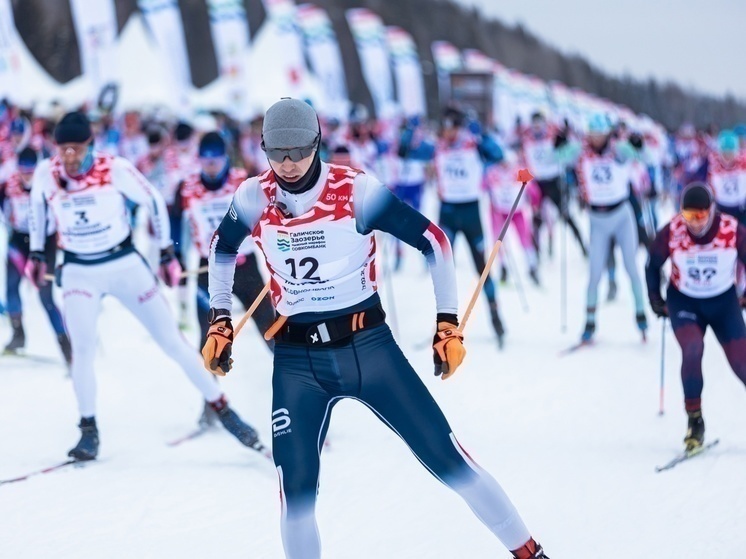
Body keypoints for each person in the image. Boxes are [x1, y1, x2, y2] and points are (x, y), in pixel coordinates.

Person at [202, 98, 549, 559]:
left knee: (449, 460)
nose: (286, 164)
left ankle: (530, 553)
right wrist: (220, 321)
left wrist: (447, 325)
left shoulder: (355, 192)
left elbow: (435, 241)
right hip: (297, 361)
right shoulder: (253, 196)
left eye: (298, 152)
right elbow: (222, 249)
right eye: (276, 153)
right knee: (295, 498)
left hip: (368, 349)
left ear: (317, 142)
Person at [26, 112, 266, 461]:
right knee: (83, 349)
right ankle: (88, 430)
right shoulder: (47, 173)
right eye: (62, 149)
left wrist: (168, 253)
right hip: (79, 270)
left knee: (172, 341)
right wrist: (35, 253)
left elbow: (153, 199)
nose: (69, 157)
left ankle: (225, 410)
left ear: (90, 145)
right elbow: (35, 209)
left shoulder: (114, 169)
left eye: (76, 149)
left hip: (124, 264)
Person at [646, 183, 746, 450]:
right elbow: (652, 264)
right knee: (692, 349)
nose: (695, 224)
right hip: (684, 300)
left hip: (723, 302)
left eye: (700, 216)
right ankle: (695, 422)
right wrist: (655, 300)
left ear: (711, 211)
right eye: (689, 216)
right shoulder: (673, 231)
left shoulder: (731, 229)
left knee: (741, 364)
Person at [398, 106, 507, 345]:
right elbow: (406, 152)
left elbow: (498, 155)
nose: (449, 134)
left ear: (460, 127)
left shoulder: (473, 144)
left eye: (453, 128)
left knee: (482, 266)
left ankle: (496, 317)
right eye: (445, 128)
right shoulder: (437, 147)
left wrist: (483, 135)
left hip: (470, 213)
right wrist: (408, 131)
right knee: (444, 269)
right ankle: (445, 325)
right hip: (447, 212)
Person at [174, 131, 274, 348]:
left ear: (225, 158)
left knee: (271, 330)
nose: (211, 166)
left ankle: (296, 376)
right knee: (209, 340)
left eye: (216, 160)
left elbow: (270, 217)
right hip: (208, 270)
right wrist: (174, 255)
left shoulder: (244, 182)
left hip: (245, 266)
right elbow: (175, 221)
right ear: (198, 159)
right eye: (205, 160)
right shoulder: (187, 187)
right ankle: (208, 380)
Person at [574, 115, 647, 343]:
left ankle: (641, 315)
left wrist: (639, 146)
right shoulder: (582, 151)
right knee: (595, 273)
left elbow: (646, 157)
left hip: (621, 215)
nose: (595, 139)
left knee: (631, 267)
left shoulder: (619, 149)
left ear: (607, 134)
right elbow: (555, 157)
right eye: (592, 134)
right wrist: (559, 145)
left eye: (600, 134)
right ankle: (589, 323)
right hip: (597, 218)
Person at [0, 147, 71, 362]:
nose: (26, 176)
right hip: (19, 240)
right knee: (11, 287)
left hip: (44, 244)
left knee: (45, 296)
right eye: (23, 171)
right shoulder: (10, 183)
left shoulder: (48, 182)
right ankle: (18, 335)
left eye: (30, 172)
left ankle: (66, 347)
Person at [521, 112, 587, 257]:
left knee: (566, 216)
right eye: (535, 124)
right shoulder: (527, 138)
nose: (537, 127)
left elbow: (573, 145)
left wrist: (564, 140)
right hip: (538, 183)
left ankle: (582, 245)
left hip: (554, 181)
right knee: (536, 219)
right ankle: (537, 252)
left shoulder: (552, 135)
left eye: (540, 124)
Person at [706, 130, 746, 225]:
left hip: (741, 208)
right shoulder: (713, 162)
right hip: (722, 208)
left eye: (730, 153)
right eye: (725, 153)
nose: (728, 157)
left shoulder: (743, 161)